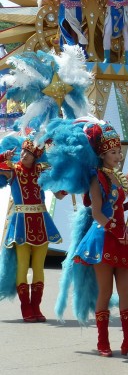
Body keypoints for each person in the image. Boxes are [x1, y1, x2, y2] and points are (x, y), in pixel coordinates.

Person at [44, 119, 128, 359]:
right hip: (103, 238)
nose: (117, 156)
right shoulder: (97, 178)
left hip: (122, 237)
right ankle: (103, 341)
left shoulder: (119, 177)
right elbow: (96, 212)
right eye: (113, 152)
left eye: (119, 152)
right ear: (102, 154)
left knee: (127, 293)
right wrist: (115, 229)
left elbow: (115, 207)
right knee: (104, 292)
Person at [0, 138, 63, 322]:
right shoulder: (13, 170)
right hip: (20, 225)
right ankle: (25, 306)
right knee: (22, 265)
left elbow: (58, 193)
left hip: (42, 223)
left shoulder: (42, 170)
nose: (24, 155)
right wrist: (4, 156)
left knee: (38, 267)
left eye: (28, 153)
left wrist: (66, 187)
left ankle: (36, 306)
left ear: (36, 156)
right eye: (23, 151)